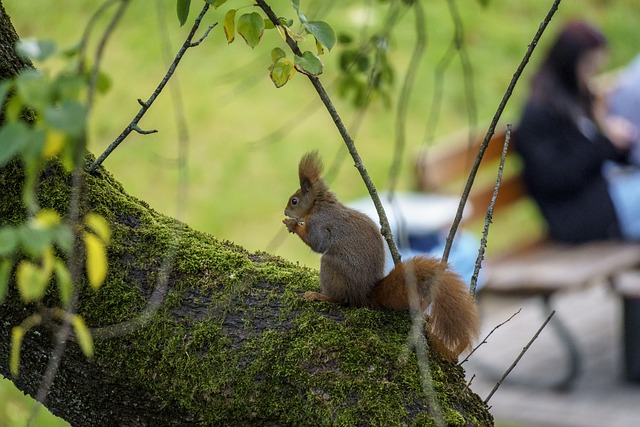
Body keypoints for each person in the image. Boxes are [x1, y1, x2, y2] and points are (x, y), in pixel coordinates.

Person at [514, 20, 639, 244]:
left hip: (604, 198)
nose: (592, 76)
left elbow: (591, 153)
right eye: (590, 67)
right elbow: (555, 177)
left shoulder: (572, 97)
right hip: (579, 218)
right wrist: (606, 144)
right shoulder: (539, 114)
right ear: (569, 63)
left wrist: (617, 141)